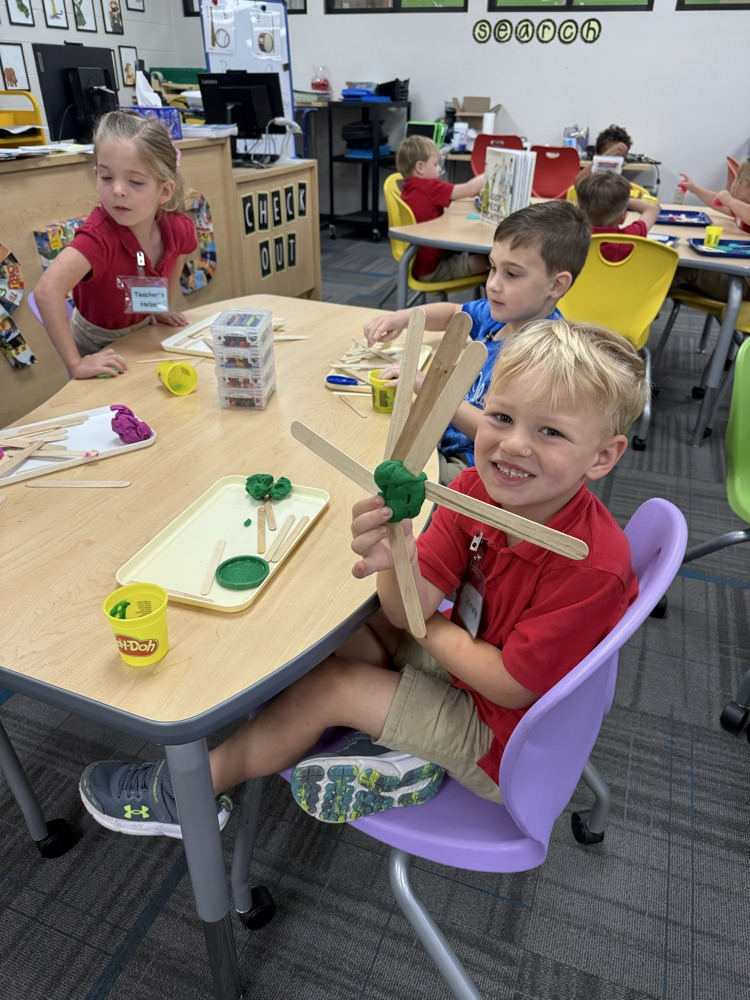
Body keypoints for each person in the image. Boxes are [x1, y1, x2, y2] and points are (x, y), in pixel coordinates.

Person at [78, 316, 647, 835]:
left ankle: (189, 790)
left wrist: (427, 626)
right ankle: (394, 746)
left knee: (332, 684)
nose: (513, 444)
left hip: (502, 741)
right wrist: (394, 552)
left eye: (551, 432)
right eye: (500, 416)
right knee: (341, 629)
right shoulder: (474, 490)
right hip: (472, 659)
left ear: (603, 456)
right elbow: (404, 611)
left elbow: (508, 684)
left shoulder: (589, 564)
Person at [365, 200, 590, 484]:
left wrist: (435, 393)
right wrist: (402, 318)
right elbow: (453, 314)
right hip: (440, 437)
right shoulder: (504, 316)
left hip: (473, 468)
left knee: (379, 475)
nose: (493, 284)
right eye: (493, 268)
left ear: (556, 285)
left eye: (512, 274)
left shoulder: (540, 358)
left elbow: (501, 436)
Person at [34, 109, 197, 379]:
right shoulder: (99, 237)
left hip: (143, 328)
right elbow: (46, 292)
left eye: (134, 182)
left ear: (164, 191)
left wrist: (161, 306)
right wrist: (76, 365)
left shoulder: (177, 228)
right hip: (96, 342)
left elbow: (178, 255)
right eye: (106, 178)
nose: (117, 190)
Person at [396, 135, 489, 282]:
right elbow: (469, 189)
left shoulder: (409, 186)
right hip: (433, 269)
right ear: (420, 167)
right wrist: (492, 171)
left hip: (417, 261)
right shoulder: (429, 187)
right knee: (489, 260)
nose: (439, 169)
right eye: (435, 164)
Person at [673, 158, 750, 301]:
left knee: (678, 267)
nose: (731, 186)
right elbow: (718, 202)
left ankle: (640, 308)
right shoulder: (741, 210)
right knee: (672, 266)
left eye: (736, 181)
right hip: (736, 275)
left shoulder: (744, 210)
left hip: (742, 284)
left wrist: (730, 200)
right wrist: (695, 189)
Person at [576, 171, 660, 262]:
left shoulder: (568, 237)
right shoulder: (630, 238)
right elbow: (652, 209)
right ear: (622, 218)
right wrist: (623, 202)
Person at [573, 124, 632, 188]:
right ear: (596, 155)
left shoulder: (623, 186)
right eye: (609, 157)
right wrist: (606, 157)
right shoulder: (591, 185)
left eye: (617, 159)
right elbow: (577, 183)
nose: (611, 163)